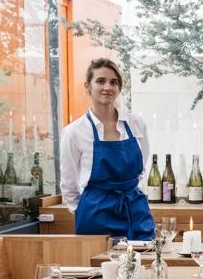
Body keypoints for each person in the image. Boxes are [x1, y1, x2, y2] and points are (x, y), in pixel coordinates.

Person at [59, 58, 154, 240]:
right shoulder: (74, 132)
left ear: (119, 87)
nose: (108, 87)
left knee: (144, 263)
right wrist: (83, 211)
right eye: (101, 81)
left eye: (114, 82)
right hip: (95, 215)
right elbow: (69, 184)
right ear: (88, 86)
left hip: (134, 210)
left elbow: (140, 170)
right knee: (98, 268)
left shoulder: (136, 124)